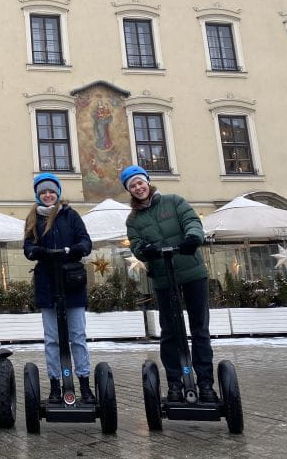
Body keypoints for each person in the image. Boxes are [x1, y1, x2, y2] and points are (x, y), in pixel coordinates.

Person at [120, 164, 219, 403]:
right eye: (132, 186)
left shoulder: (174, 201)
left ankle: (205, 382)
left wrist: (193, 238)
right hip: (164, 277)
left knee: (199, 329)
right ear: (129, 190)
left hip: (193, 272)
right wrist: (145, 249)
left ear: (147, 182)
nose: (138, 187)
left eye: (140, 182)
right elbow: (135, 244)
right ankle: (175, 382)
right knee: (170, 332)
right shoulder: (133, 219)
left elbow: (191, 221)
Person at [22, 173, 94, 404]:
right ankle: (55, 384)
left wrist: (73, 250)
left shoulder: (70, 215)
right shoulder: (33, 218)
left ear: (58, 193)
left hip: (71, 282)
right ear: (38, 195)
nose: (48, 195)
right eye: (43, 192)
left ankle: (84, 383)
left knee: (78, 337)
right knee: (52, 338)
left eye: (51, 191)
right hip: (46, 283)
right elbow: (28, 247)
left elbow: (85, 241)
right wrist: (38, 252)